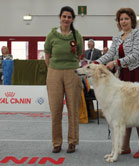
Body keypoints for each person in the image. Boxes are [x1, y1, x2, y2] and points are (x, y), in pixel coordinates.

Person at [95, 8, 139, 158]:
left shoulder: (138, 33)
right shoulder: (117, 37)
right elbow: (110, 54)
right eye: (121, 19)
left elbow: (137, 54)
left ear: (132, 20)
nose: (123, 21)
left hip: (138, 73)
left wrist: (117, 62)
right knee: (124, 112)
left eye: (126, 18)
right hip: (125, 75)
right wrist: (95, 63)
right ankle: (125, 146)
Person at [44, 6, 83, 153]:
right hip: (54, 73)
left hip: (72, 73)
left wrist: (68, 66)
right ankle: (56, 142)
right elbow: (47, 56)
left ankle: (72, 141)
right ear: (60, 17)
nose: (66, 19)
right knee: (55, 110)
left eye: (69, 17)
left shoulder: (77, 35)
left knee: (73, 108)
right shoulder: (51, 35)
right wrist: (55, 69)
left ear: (72, 19)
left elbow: (79, 54)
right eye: (64, 16)